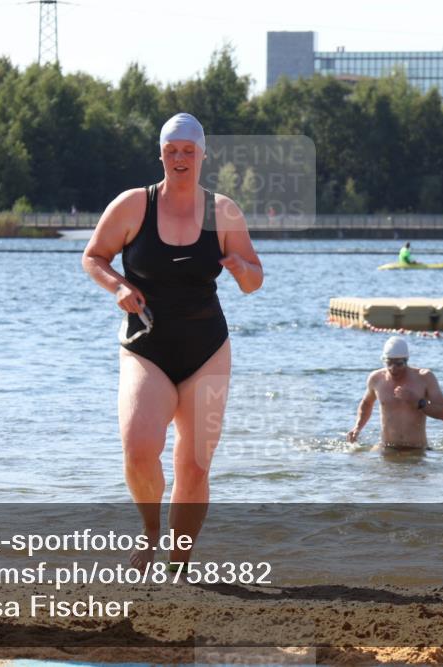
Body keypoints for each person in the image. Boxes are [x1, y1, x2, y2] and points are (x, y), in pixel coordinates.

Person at [81, 112, 264, 570]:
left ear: (203, 154)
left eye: (188, 150)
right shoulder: (132, 205)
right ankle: (148, 534)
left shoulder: (223, 211)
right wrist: (118, 286)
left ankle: (179, 560)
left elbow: (254, 278)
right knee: (139, 448)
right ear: (160, 154)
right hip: (147, 345)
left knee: (195, 465)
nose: (179, 158)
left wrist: (243, 271)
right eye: (171, 151)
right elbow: (93, 257)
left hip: (207, 349)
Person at [347, 336, 443, 449]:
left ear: (406, 360)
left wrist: (417, 401)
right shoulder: (376, 378)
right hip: (387, 448)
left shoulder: (424, 377)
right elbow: (366, 404)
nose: (393, 368)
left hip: (416, 449)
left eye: (399, 364)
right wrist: (357, 427)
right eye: (389, 363)